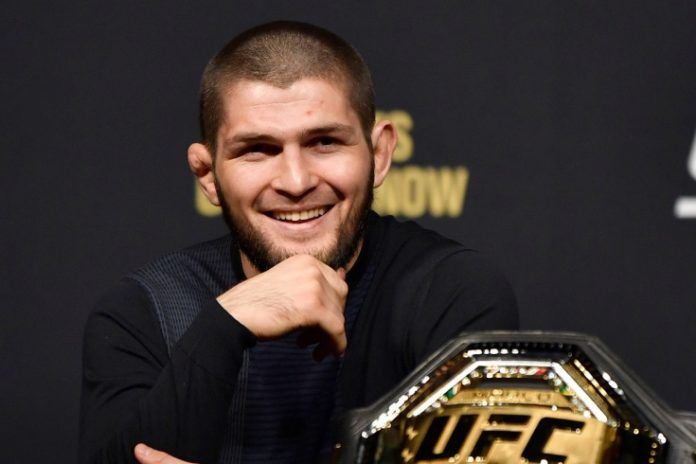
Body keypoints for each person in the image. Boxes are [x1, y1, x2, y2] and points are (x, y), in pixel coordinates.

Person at [79, 21, 518, 464]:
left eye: (324, 142)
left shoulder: (451, 291)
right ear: (208, 175)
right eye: (257, 149)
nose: (296, 181)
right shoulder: (145, 310)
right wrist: (224, 325)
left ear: (380, 154)